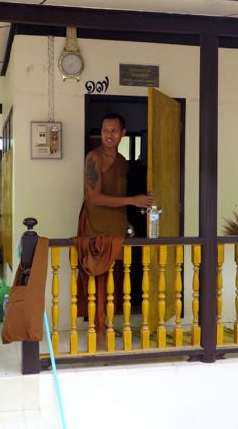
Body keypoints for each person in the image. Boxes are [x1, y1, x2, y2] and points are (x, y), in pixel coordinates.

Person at [77, 113, 153, 331]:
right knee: (98, 280)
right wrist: (133, 200)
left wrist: (126, 220)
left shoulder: (122, 162)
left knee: (116, 280)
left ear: (122, 134)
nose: (108, 135)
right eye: (105, 130)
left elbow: (115, 194)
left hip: (117, 229)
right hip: (97, 229)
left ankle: (108, 324)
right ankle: (97, 327)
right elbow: (95, 198)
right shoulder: (94, 158)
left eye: (113, 130)